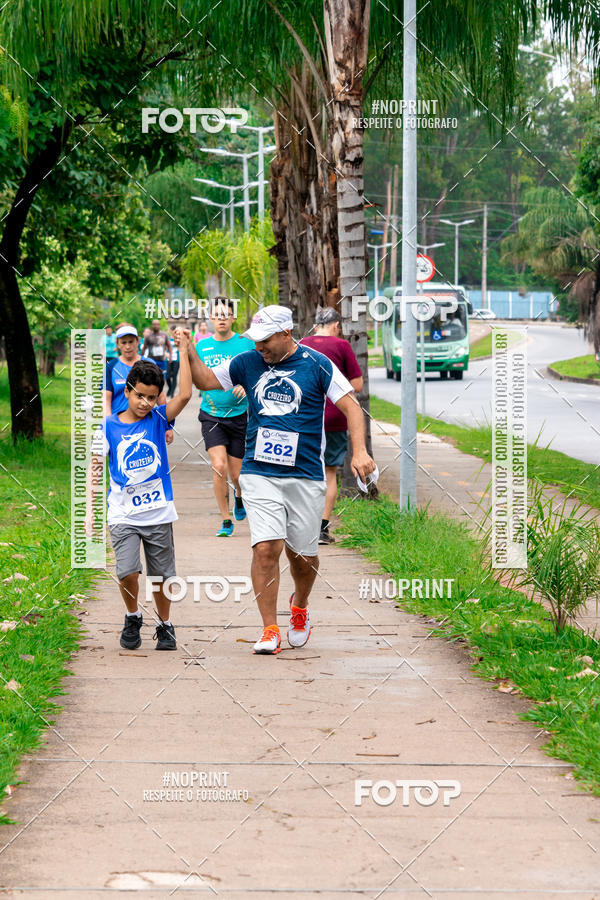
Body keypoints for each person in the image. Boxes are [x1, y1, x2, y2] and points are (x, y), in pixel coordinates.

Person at [179, 305, 375, 654]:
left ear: (287, 334)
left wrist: (358, 451)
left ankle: (299, 606)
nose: (259, 347)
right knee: (267, 547)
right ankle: (270, 628)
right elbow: (206, 380)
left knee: (303, 556)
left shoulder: (317, 364)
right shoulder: (247, 361)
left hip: (305, 475)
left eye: (265, 340)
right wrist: (188, 351)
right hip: (259, 471)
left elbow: (351, 406)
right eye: (255, 340)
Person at [91, 333, 193, 651]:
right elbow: (95, 469)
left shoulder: (158, 420)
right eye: (140, 396)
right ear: (127, 391)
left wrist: (184, 351)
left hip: (158, 511)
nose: (145, 403)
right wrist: (91, 513)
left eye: (152, 397)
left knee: (161, 577)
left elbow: (187, 394)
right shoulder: (107, 426)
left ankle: (165, 624)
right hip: (122, 512)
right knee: (127, 571)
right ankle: (132, 615)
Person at [300, 307, 363, 545]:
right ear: (336, 325)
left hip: (307, 417)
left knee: (303, 470)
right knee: (330, 472)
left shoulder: (303, 343)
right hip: (336, 416)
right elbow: (356, 384)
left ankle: (301, 525)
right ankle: (322, 528)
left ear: (316, 324)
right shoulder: (342, 346)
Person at [194, 298, 254, 536]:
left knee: (237, 474)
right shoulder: (202, 347)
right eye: (216, 314)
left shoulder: (245, 344)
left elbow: (258, 373)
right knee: (219, 466)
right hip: (211, 415)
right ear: (210, 318)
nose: (221, 318)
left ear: (233, 318)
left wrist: (246, 386)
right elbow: (195, 376)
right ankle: (225, 520)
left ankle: (239, 495)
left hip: (239, 415)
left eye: (225, 314)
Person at [104, 324, 174, 443]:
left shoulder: (149, 363)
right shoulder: (111, 367)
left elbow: (160, 396)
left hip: (146, 425)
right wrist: (109, 426)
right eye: (124, 342)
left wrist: (168, 426)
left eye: (131, 342)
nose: (127, 346)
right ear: (118, 343)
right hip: (120, 427)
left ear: (137, 341)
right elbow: (106, 400)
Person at [166, 325, 180, 398]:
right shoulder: (167, 339)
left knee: (174, 376)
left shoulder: (179, 339)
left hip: (177, 360)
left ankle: (172, 393)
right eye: (172, 331)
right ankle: (170, 388)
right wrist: (166, 355)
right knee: (167, 377)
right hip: (168, 360)